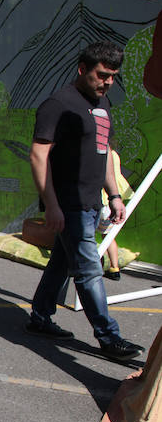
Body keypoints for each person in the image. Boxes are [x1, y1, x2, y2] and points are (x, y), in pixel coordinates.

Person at [26, 41, 144, 361]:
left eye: (112, 77)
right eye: (101, 75)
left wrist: (115, 195)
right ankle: (109, 337)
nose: (107, 82)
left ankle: (39, 316)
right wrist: (51, 204)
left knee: (62, 263)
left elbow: (104, 154)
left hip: (93, 202)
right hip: (68, 204)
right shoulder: (58, 104)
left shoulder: (102, 105)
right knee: (90, 271)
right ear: (82, 69)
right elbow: (38, 156)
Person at [97, 150, 134, 281]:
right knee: (108, 236)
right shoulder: (115, 154)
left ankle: (92, 267)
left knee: (87, 235)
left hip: (101, 199)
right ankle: (114, 267)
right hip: (113, 200)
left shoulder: (101, 152)